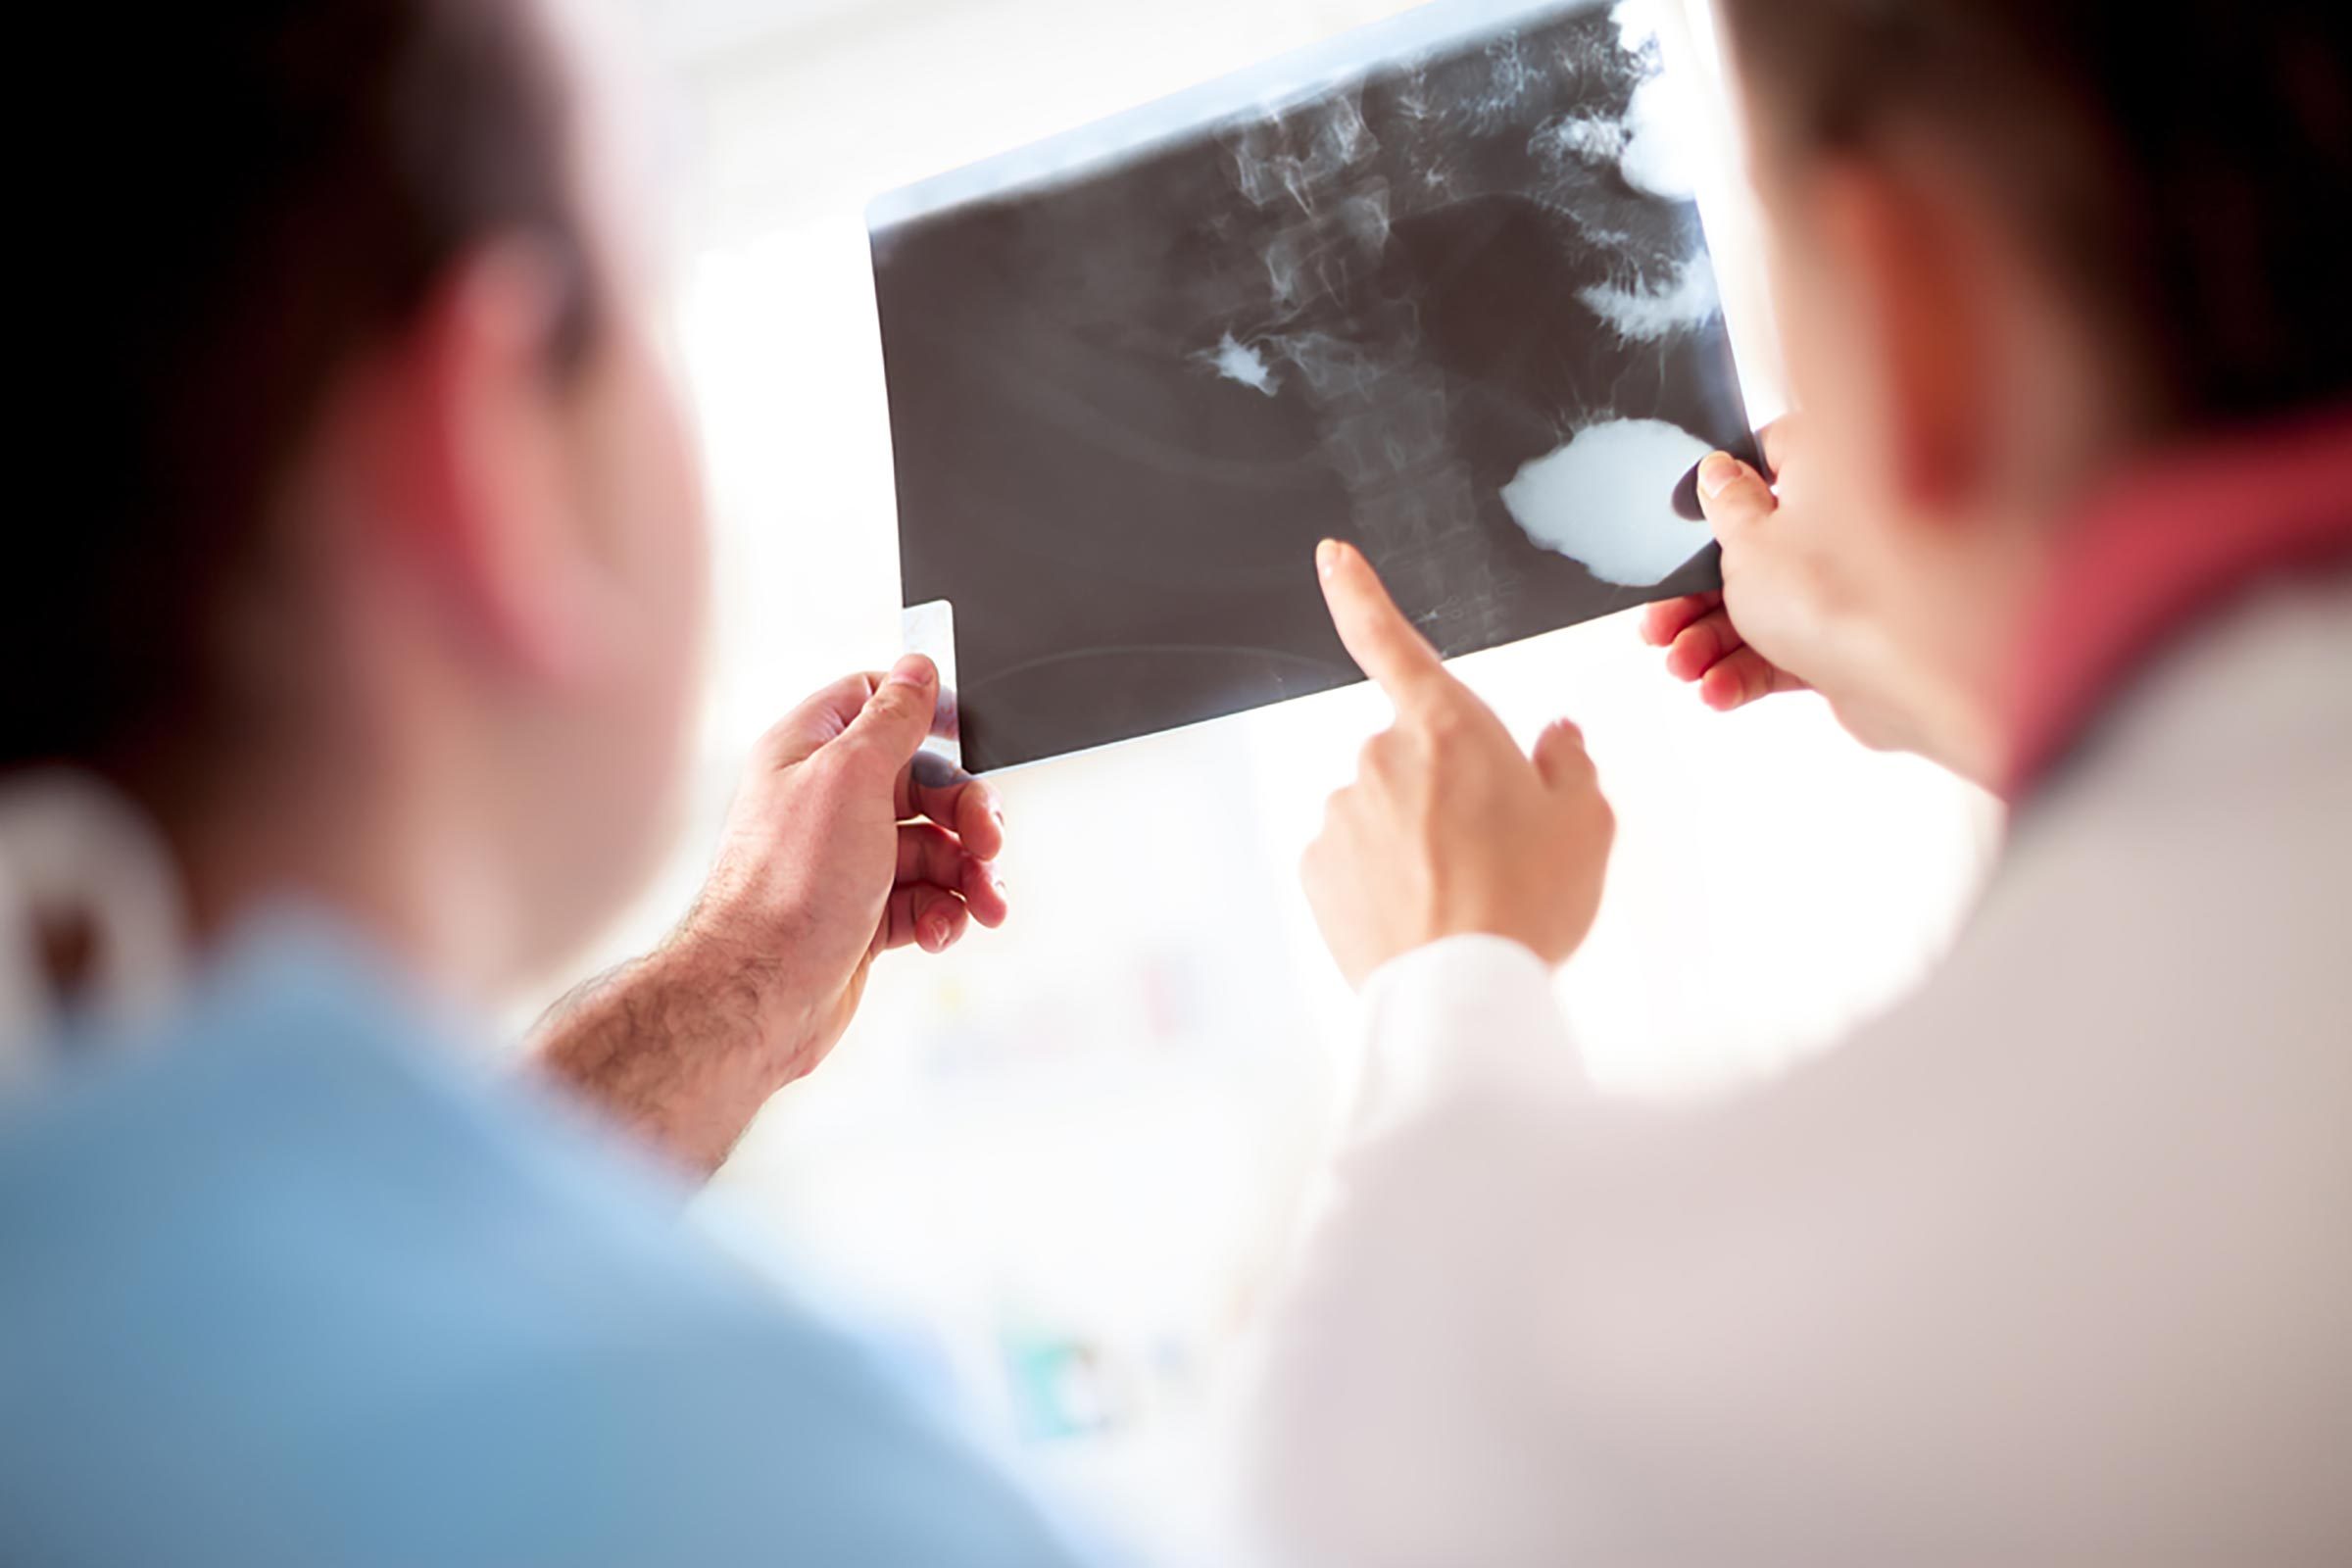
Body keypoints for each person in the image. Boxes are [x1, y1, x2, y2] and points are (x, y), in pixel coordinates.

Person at [1240, 2, 2352, 1564]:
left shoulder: (1682, 1378)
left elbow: (1423, 1475)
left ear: (1911, 306)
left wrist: (1449, 975)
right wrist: (1984, 673)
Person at [0, 1, 1090, 1562]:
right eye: (654, 263)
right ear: (490, 440)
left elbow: (325, 1295)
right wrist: (1457, 982)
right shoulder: (751, 1492)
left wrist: (745, 976)